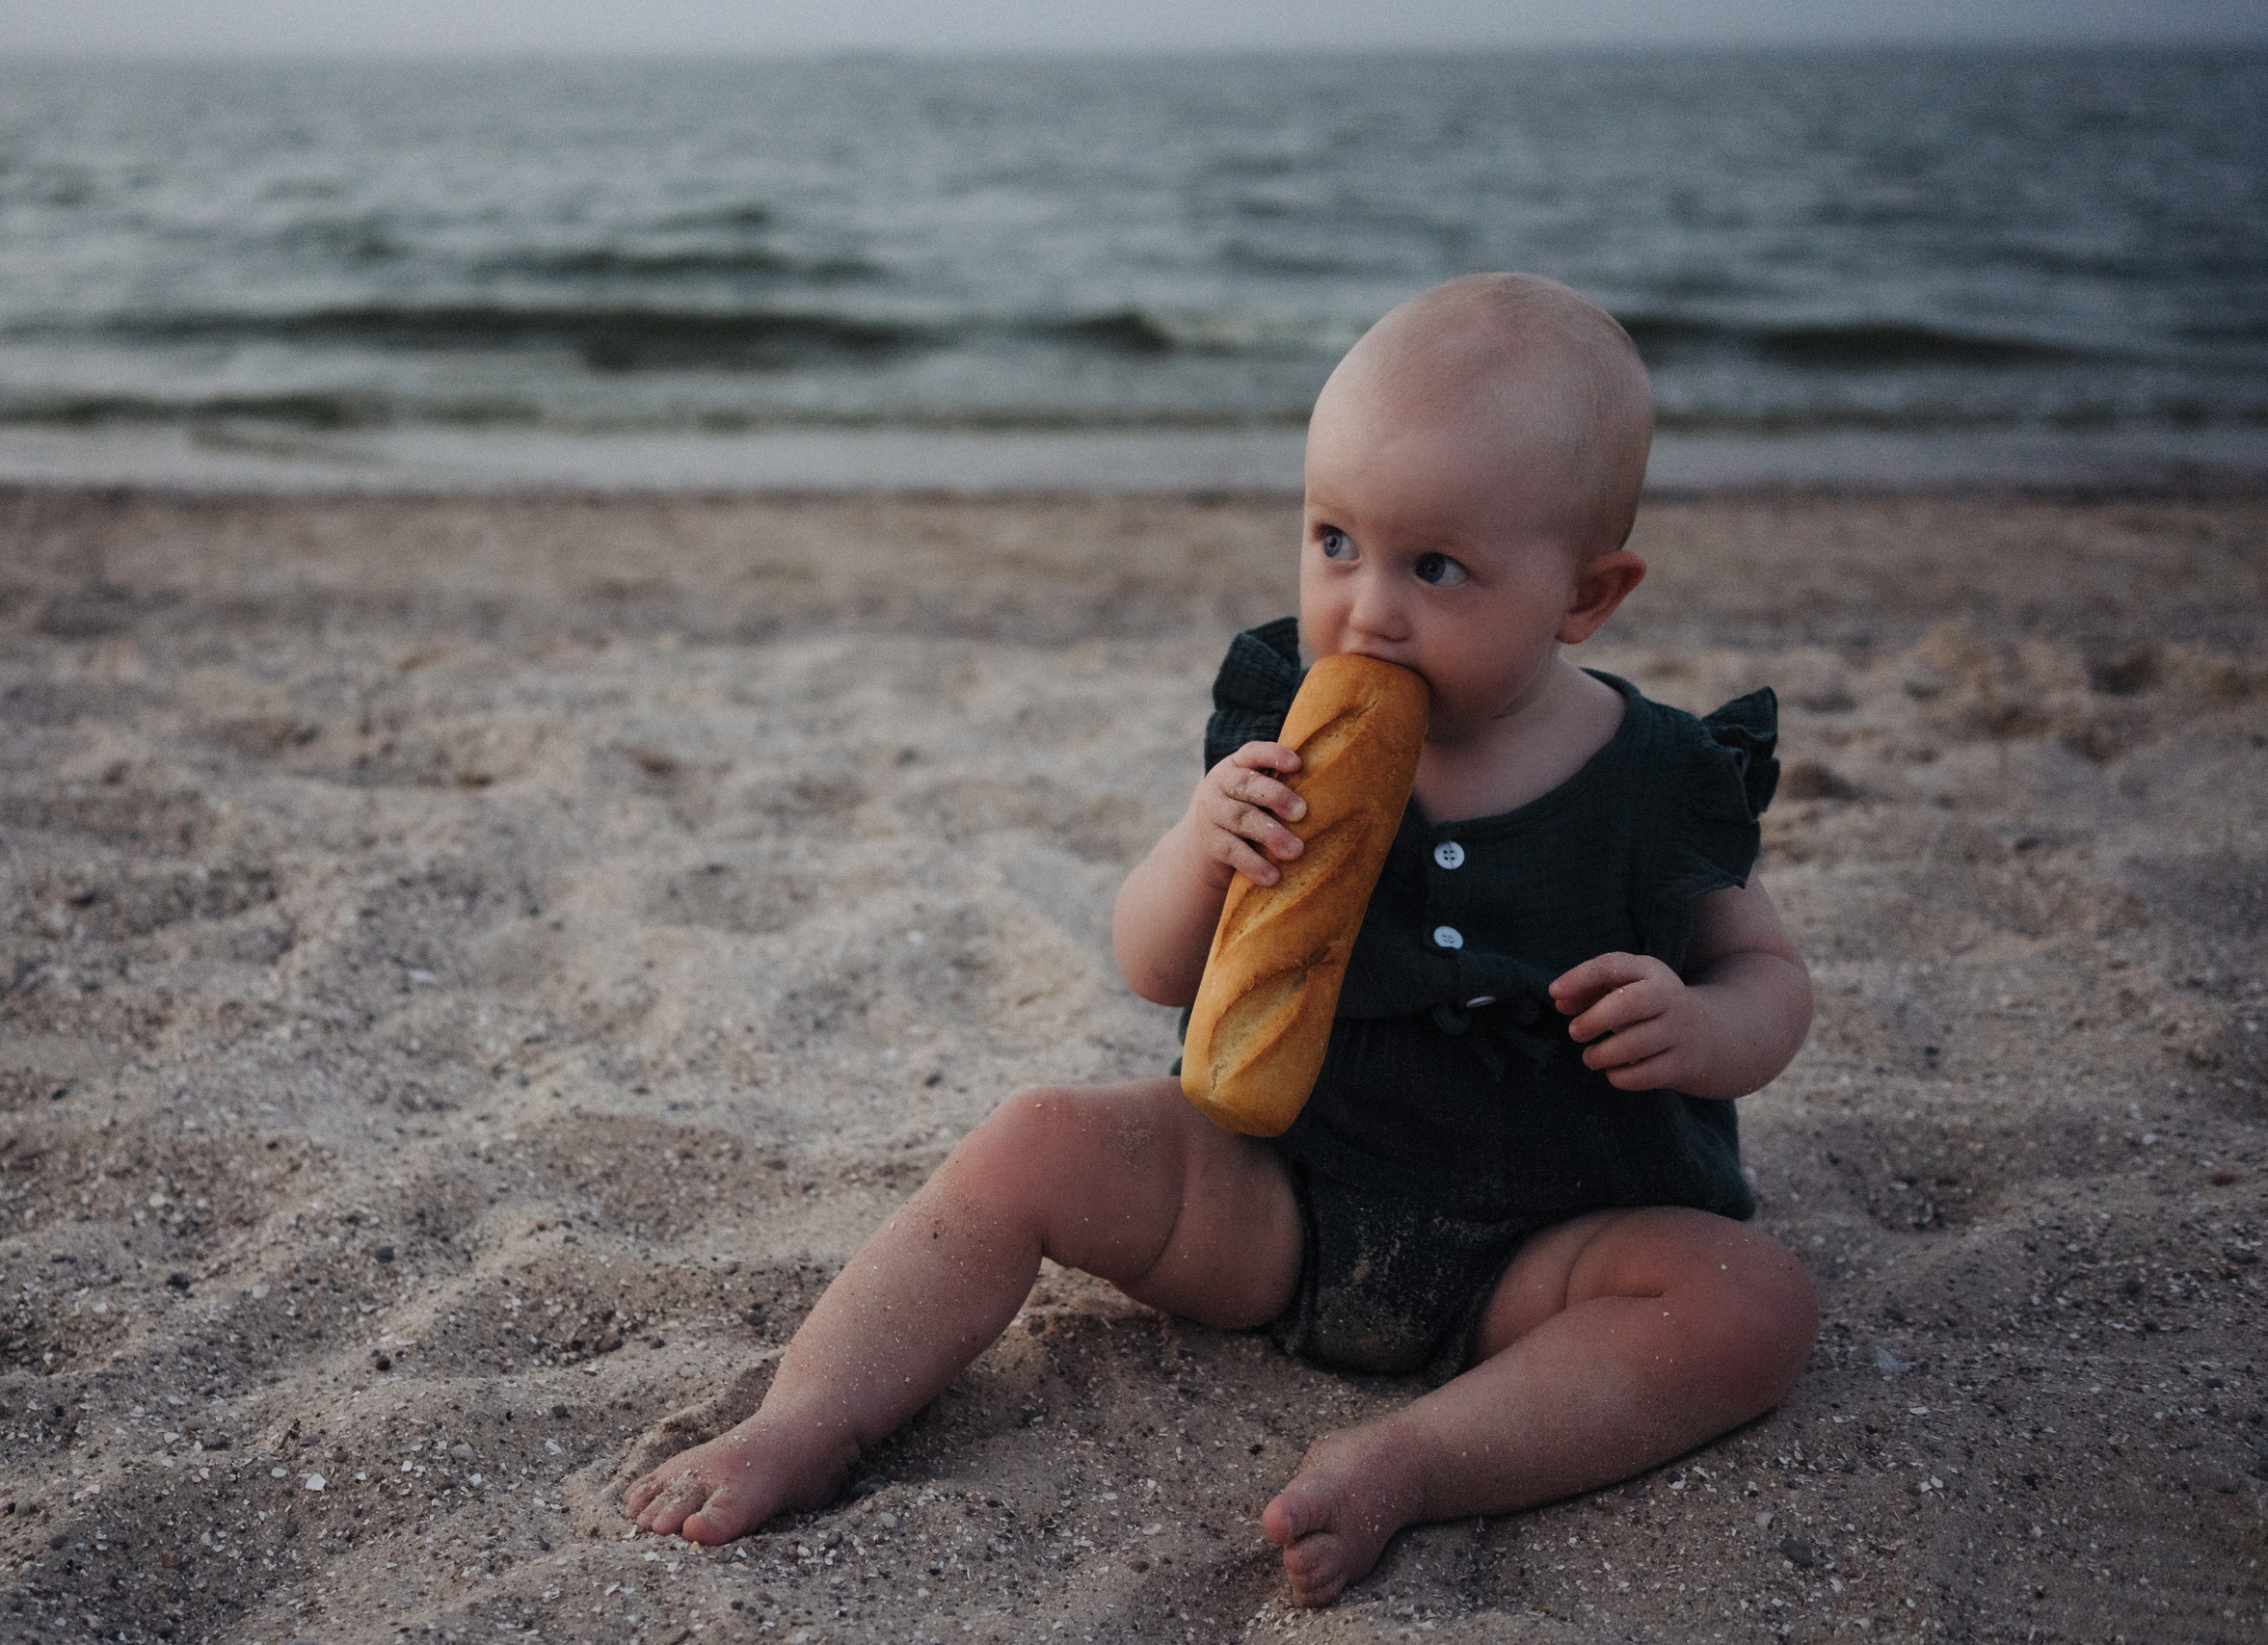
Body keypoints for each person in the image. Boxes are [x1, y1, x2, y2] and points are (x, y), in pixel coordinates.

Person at [620, 273, 1819, 1607]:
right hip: (1285, 1197)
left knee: (1750, 1302)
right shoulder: (1284, 735)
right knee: (1033, 1140)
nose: (1366, 610)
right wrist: (1203, 847)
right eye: (1334, 541)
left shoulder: (1663, 779)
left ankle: (1420, 1460)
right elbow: (1153, 968)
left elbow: (1767, 978)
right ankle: (806, 1420)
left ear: (1586, 595)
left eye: (1435, 568)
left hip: (1556, 1241)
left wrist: (1702, 1027)